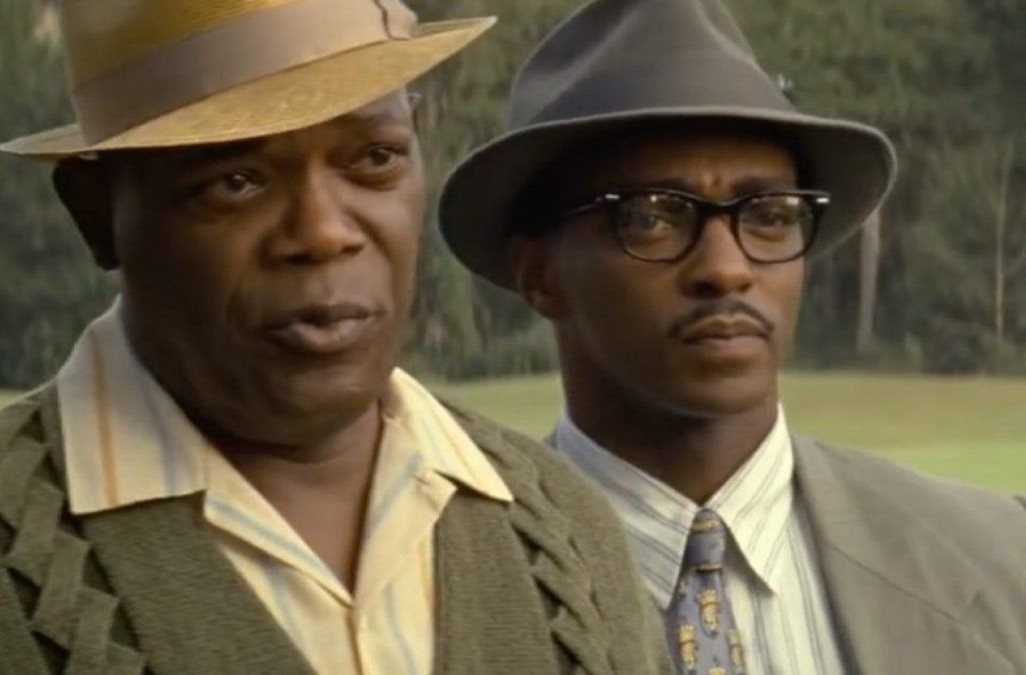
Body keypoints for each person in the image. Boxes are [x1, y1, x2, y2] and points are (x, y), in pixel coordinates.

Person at [0, 2, 674, 674]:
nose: (323, 231)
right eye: (235, 180)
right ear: (97, 215)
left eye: (374, 158)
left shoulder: (571, 535)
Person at [438, 0, 1026, 673]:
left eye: (769, 214)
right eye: (653, 217)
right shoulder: (437, 597)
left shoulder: (1000, 559)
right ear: (539, 274)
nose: (725, 267)